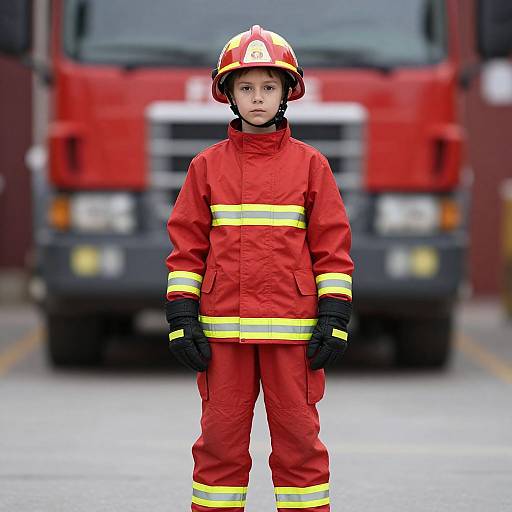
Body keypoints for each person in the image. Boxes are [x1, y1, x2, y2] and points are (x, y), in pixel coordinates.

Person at [165, 25, 353, 512]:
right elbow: (186, 248)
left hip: (294, 335)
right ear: (227, 93)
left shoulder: (312, 166)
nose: (257, 98)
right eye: (245, 87)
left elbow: (331, 248)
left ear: (287, 93)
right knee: (219, 447)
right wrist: (182, 318)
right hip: (223, 334)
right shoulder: (205, 168)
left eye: (268, 87)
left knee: (299, 446)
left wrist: (334, 317)